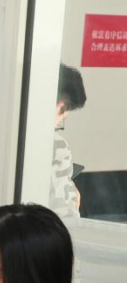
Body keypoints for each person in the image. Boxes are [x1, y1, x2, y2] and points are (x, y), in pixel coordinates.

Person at [50, 63, 87, 217]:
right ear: (61, 105)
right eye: (63, 117)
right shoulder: (55, 145)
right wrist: (72, 201)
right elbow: (62, 216)